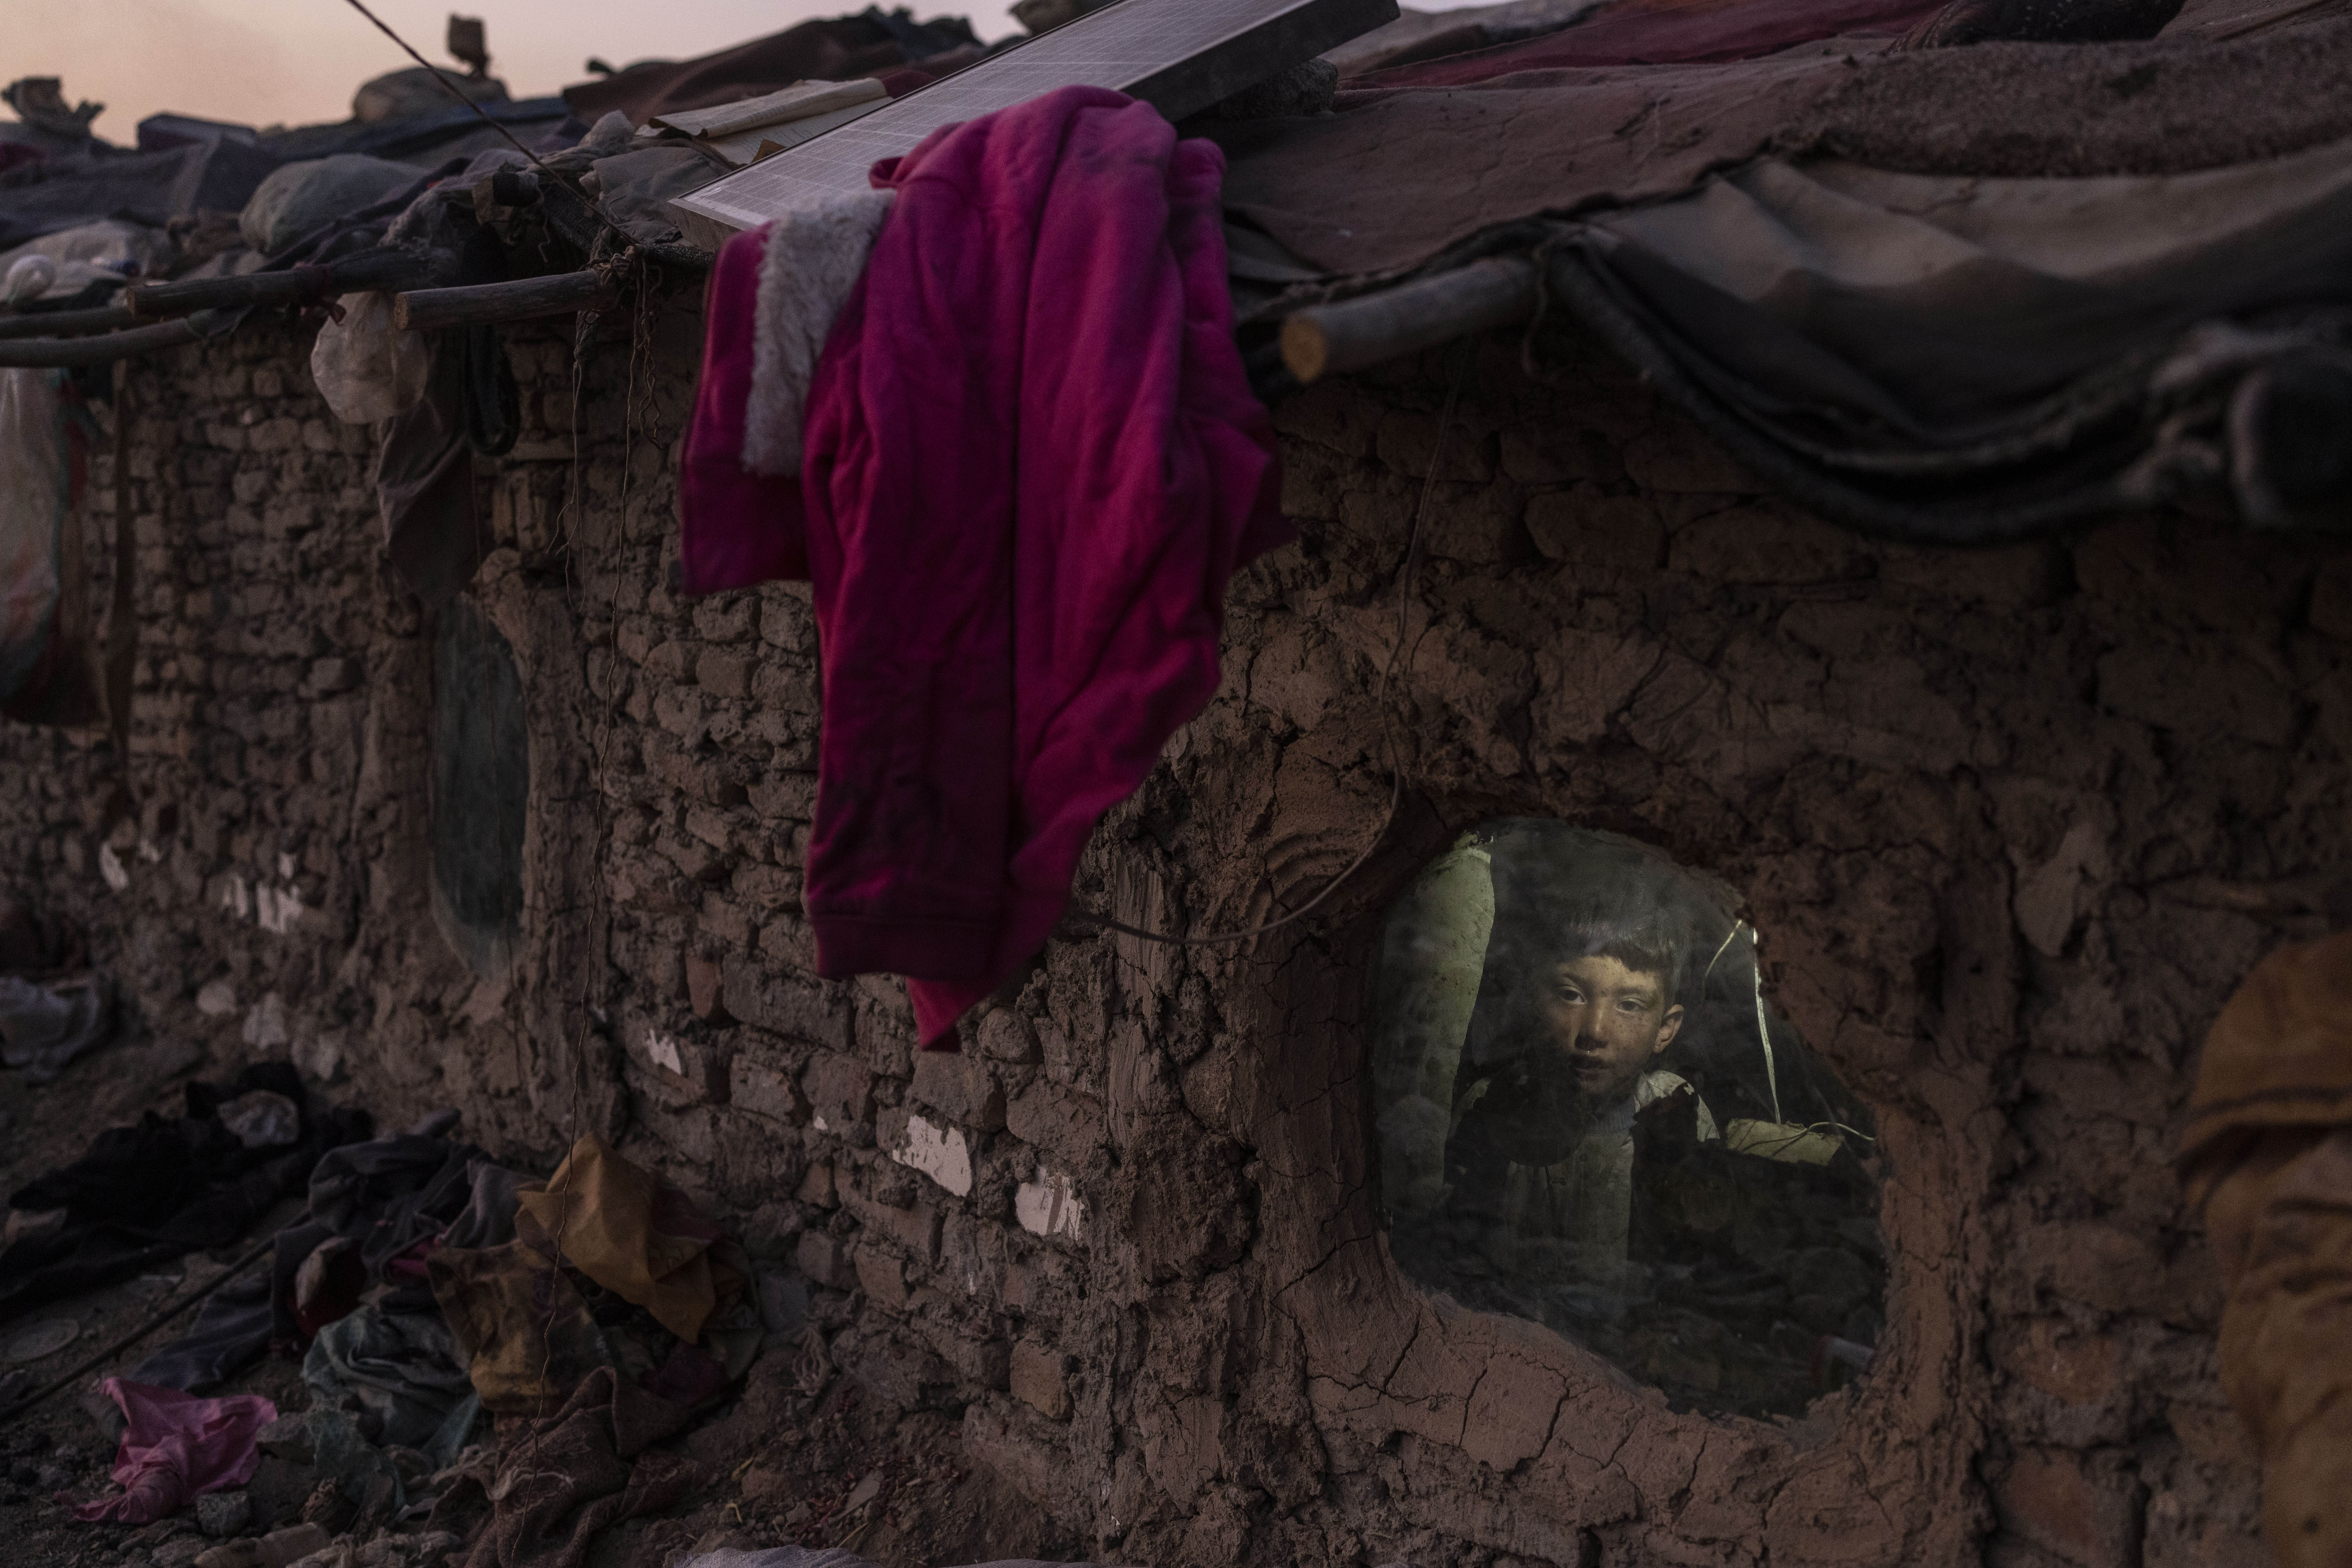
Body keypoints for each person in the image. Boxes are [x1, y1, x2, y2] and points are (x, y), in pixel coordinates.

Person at [1436, 853, 1719, 1297]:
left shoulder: (1676, 1110)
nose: (1594, 1032)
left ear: (1666, 1029)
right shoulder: (1496, 1105)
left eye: (1630, 1005)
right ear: (1534, 999)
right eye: (1571, 995)